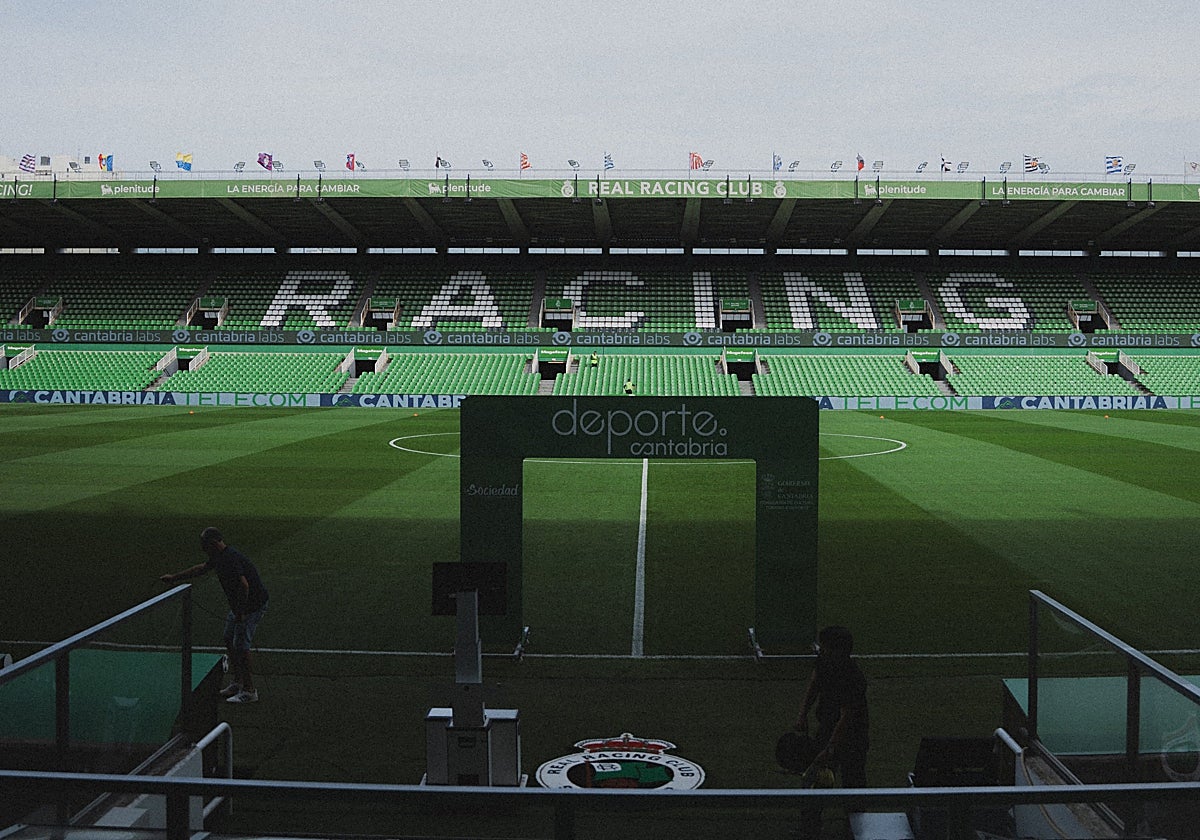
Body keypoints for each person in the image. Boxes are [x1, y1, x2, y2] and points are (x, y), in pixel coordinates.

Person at [161, 527, 269, 704]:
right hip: (240, 607)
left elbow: (244, 585)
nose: (202, 549)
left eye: (204, 545)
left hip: (252, 606)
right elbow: (201, 568)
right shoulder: (220, 557)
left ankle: (249, 690)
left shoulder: (229, 558)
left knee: (241, 646)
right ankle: (238, 681)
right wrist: (175, 577)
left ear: (212, 543)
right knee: (228, 638)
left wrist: (241, 612)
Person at [794, 625, 869, 838]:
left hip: (853, 736)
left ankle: (855, 829)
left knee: (853, 783)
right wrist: (802, 714)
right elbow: (814, 684)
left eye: (825, 646)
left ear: (838, 651)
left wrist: (830, 748)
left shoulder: (852, 677)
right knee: (814, 779)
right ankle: (809, 828)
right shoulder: (824, 663)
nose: (821, 650)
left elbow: (846, 716)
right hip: (828, 727)